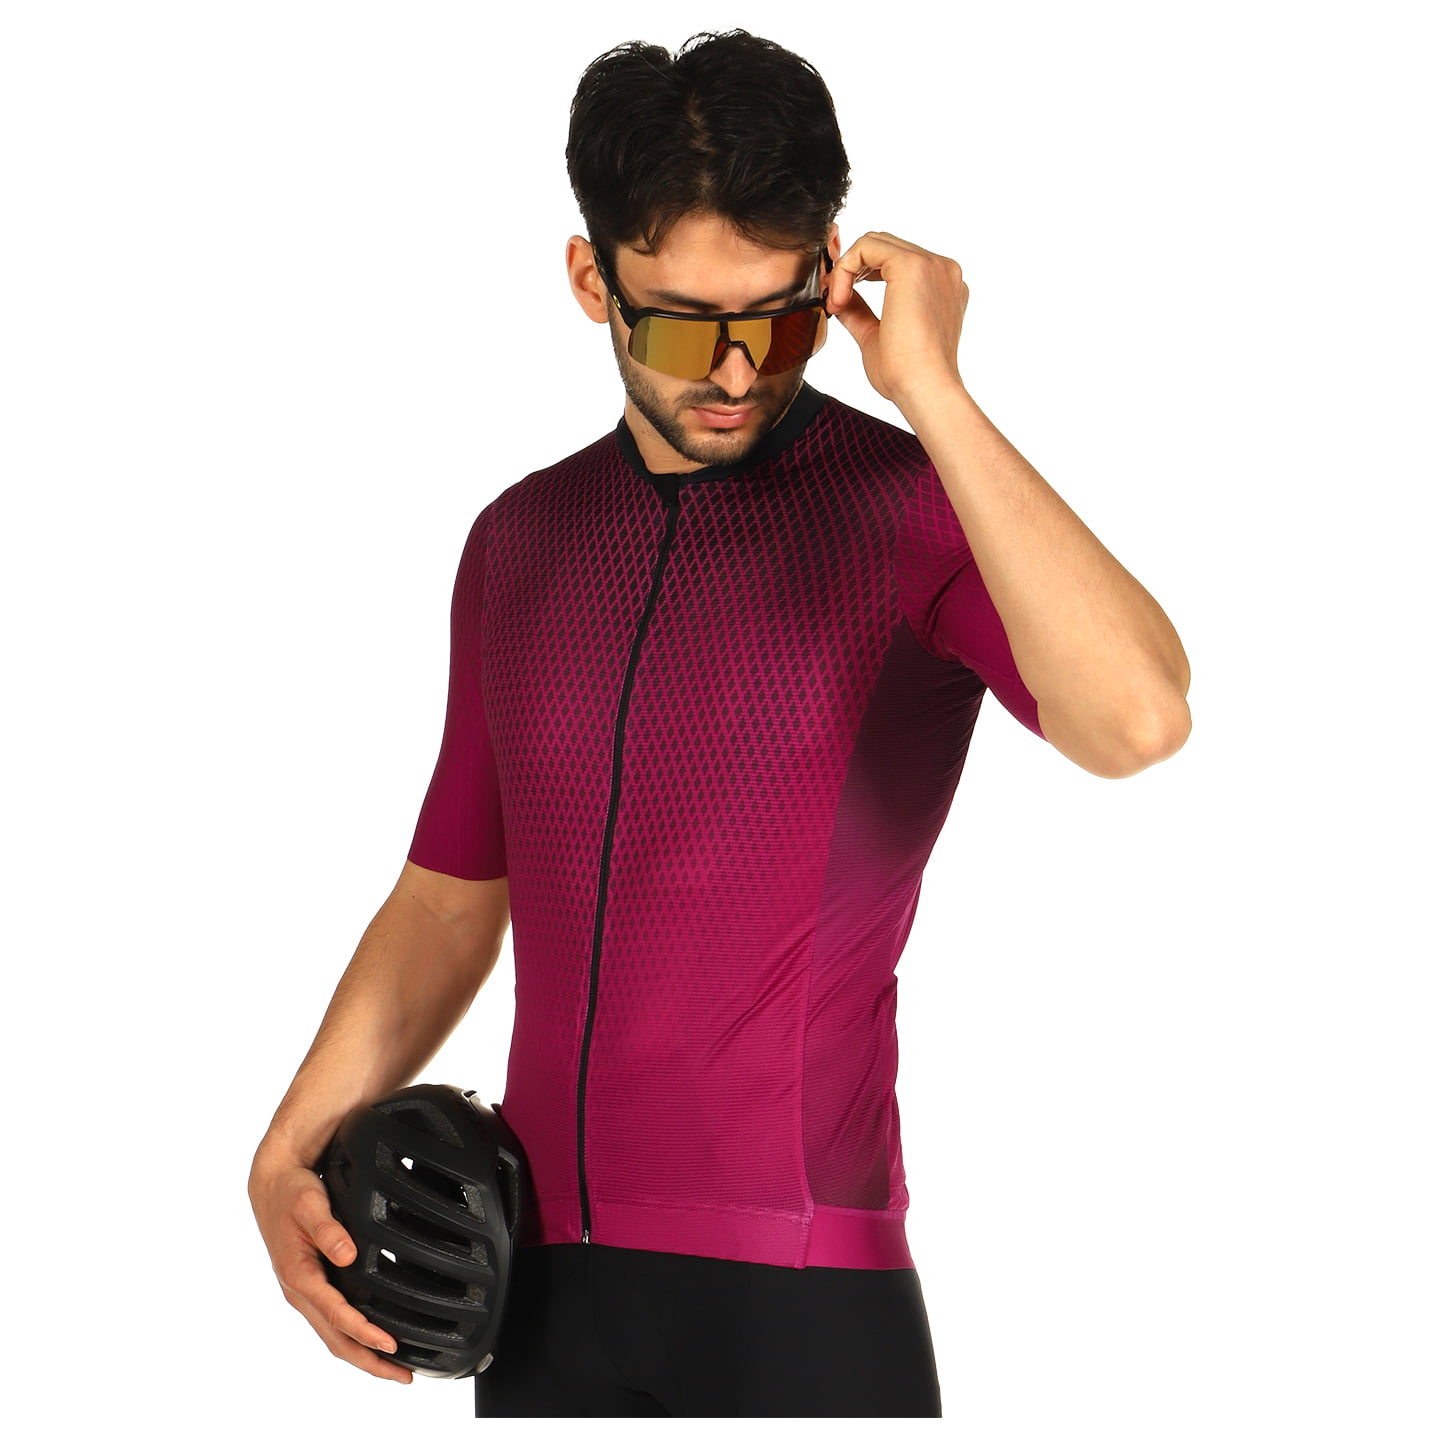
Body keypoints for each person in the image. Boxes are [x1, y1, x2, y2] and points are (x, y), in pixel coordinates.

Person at [248, 29, 1192, 1419]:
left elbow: (1139, 719)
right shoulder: (521, 543)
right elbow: (450, 898)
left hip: (798, 1305)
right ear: (594, 284)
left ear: (829, 278)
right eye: (691, 327)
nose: (741, 373)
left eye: (780, 318)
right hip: (538, 1312)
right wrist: (285, 1148)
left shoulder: (911, 513)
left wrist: (933, 392)